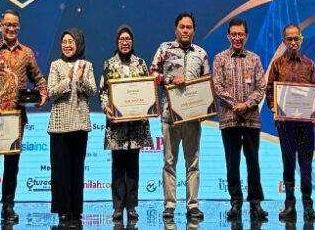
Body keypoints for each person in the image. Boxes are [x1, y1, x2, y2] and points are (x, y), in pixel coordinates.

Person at [0, 10, 48, 225]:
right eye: (7, 24)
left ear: (19, 27)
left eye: (14, 25)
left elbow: (38, 79)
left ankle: (8, 206)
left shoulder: (26, 53)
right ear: (0, 26)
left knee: (12, 165)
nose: (11, 28)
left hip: (16, 119)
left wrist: (43, 94)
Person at [150, 12, 210, 221]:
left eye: (189, 27)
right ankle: (169, 205)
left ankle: (193, 205)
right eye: (182, 27)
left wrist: (205, 109)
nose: (186, 30)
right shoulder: (164, 49)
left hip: (192, 118)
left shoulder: (201, 54)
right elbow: (152, 73)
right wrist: (170, 78)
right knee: (169, 162)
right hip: (170, 116)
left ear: (194, 30)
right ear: (176, 29)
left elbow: (206, 84)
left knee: (193, 163)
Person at [212, 18, 268, 222]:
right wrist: (236, 104)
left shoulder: (254, 59)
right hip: (229, 120)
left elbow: (261, 87)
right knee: (232, 162)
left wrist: (247, 104)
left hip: (251, 119)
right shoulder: (220, 59)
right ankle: (235, 202)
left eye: (240, 34)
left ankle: (256, 203)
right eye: (234, 34)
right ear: (228, 36)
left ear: (246, 36)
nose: (237, 37)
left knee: (253, 162)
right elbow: (217, 86)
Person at [265, 24, 315, 222]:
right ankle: (289, 205)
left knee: (306, 166)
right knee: (288, 165)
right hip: (285, 125)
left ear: (301, 39)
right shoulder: (277, 64)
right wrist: (274, 107)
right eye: (289, 39)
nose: (293, 42)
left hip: (306, 125)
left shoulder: (309, 64)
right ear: (284, 41)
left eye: (296, 38)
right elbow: (269, 90)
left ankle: (308, 205)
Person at [100, 25, 153, 224]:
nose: (125, 42)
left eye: (128, 39)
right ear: (117, 42)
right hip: (117, 126)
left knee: (132, 167)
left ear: (132, 42)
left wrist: (148, 107)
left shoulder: (141, 63)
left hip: (136, 126)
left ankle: (131, 207)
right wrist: (106, 108)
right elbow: (103, 92)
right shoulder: (109, 64)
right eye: (122, 39)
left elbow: (147, 89)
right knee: (117, 167)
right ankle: (117, 207)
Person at [48, 28, 96, 227]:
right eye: (64, 41)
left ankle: (76, 211)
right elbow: (51, 92)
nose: (67, 45)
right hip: (59, 126)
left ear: (78, 44)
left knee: (77, 170)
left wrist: (81, 79)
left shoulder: (87, 65)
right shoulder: (55, 65)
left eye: (71, 41)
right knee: (60, 170)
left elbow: (92, 91)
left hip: (79, 125)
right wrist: (68, 79)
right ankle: (62, 211)